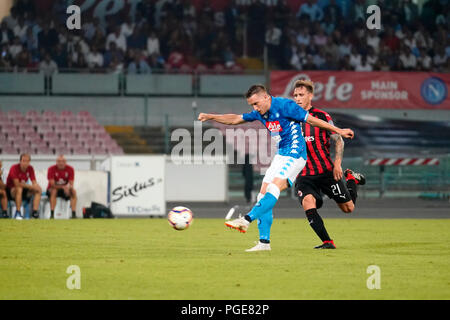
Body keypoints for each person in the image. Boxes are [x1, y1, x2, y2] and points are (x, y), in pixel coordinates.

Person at [198, 84, 354, 251]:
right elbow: (236, 119)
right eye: (252, 105)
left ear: (266, 97)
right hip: (281, 155)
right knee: (262, 194)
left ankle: (246, 220)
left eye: (256, 103)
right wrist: (211, 116)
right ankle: (264, 243)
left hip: (296, 153)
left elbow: (312, 120)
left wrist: (339, 130)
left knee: (275, 186)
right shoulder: (260, 112)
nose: (255, 108)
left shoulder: (286, 106)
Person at [292, 79, 366, 249]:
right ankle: (327, 242)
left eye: (301, 95)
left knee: (348, 209)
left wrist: (337, 164)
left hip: (326, 172)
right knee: (308, 203)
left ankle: (351, 180)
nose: (297, 98)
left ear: (310, 96)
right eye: (295, 95)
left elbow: (338, 140)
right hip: (304, 175)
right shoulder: (290, 119)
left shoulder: (321, 117)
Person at [6, 154, 42, 220]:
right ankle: (18, 212)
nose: (25, 163)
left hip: (24, 190)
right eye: (23, 161)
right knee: (19, 189)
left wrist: (36, 186)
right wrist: (30, 186)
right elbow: (17, 184)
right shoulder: (14, 168)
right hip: (11, 191)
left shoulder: (30, 168)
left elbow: (34, 181)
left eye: (27, 161)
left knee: (38, 190)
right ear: (20, 161)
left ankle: (35, 212)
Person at [47, 155, 77, 219]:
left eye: (63, 161)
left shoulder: (70, 169)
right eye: (59, 161)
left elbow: (71, 183)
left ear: (65, 162)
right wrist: (64, 187)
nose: (61, 163)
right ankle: (52, 214)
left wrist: (69, 188)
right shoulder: (51, 169)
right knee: (54, 191)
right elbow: (52, 184)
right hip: (53, 189)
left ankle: (74, 214)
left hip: (65, 190)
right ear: (56, 162)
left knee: (73, 191)